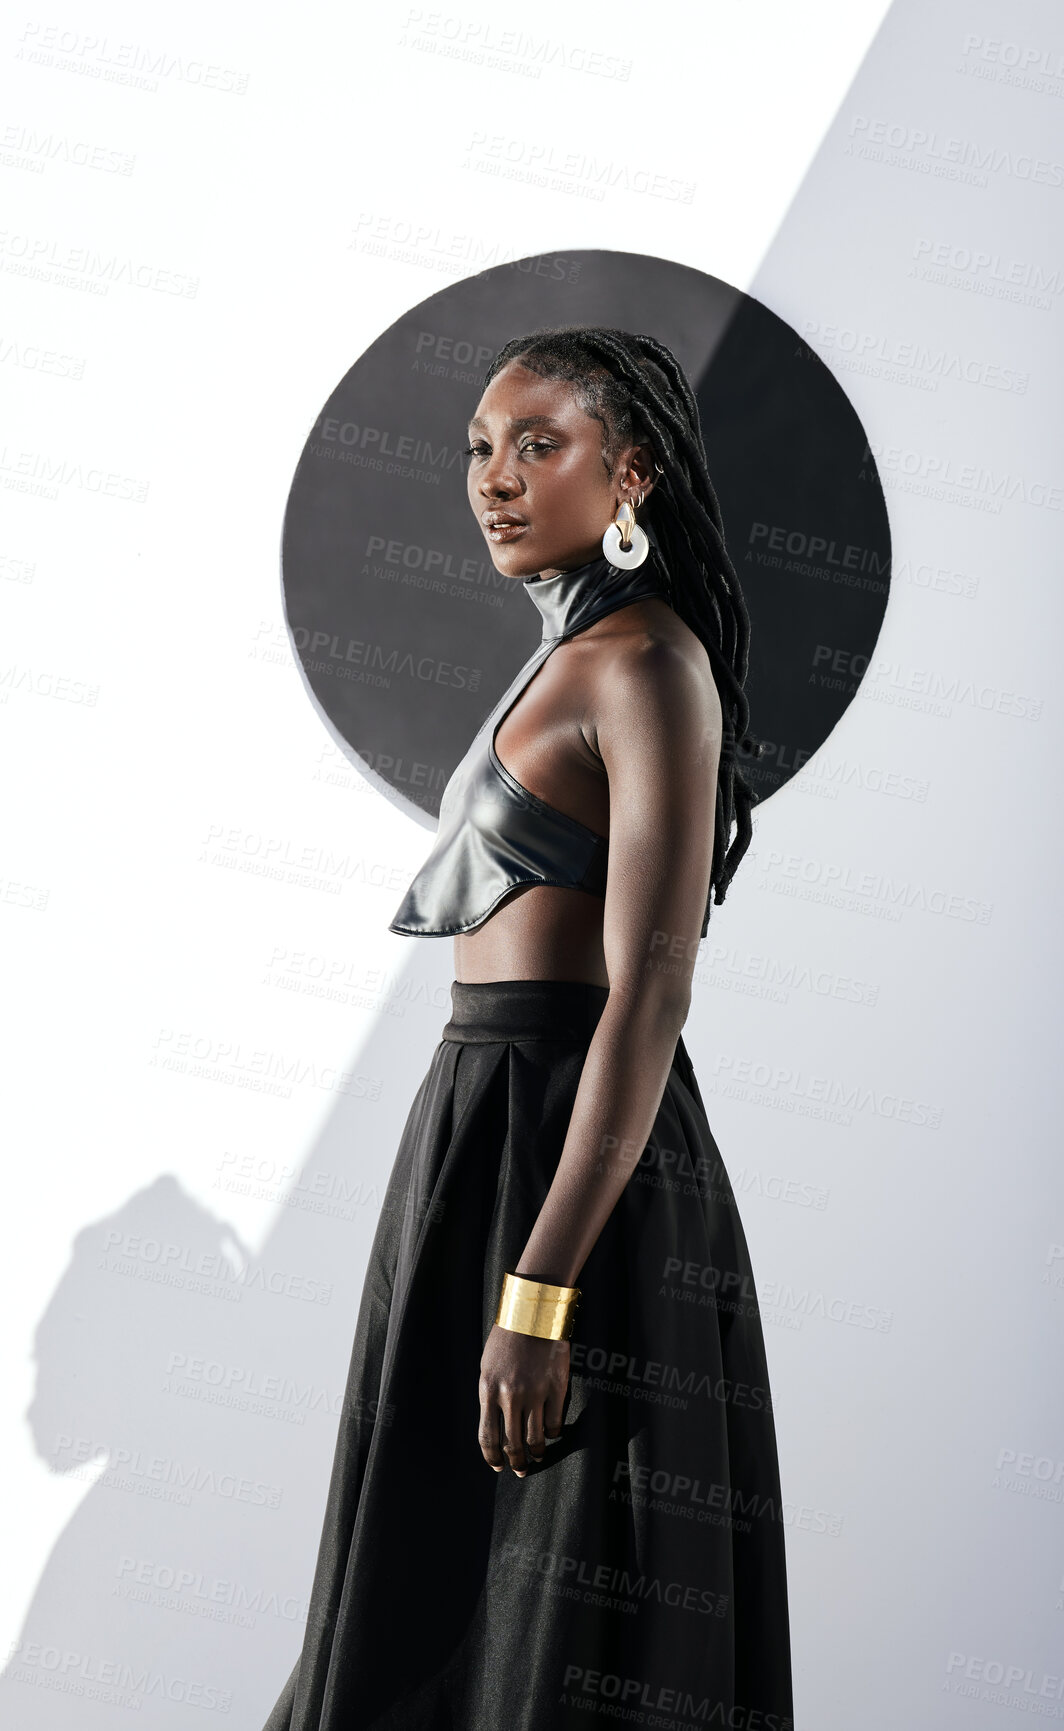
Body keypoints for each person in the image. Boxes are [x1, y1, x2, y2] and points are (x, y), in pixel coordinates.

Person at [261, 327, 793, 1731]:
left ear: (630, 475)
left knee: (574, 1588)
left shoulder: (649, 666)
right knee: (425, 1584)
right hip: (476, 1127)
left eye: (536, 445)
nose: (495, 480)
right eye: (479, 451)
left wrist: (542, 1289)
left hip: (577, 1156)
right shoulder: (568, 653)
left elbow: (653, 994)